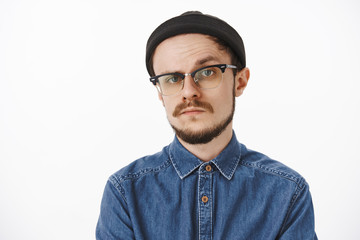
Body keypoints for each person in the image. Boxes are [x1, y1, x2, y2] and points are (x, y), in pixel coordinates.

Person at [96, 11, 317, 240]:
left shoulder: (287, 193)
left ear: (239, 82)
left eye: (207, 72)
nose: (189, 91)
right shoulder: (124, 194)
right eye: (172, 78)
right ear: (160, 93)